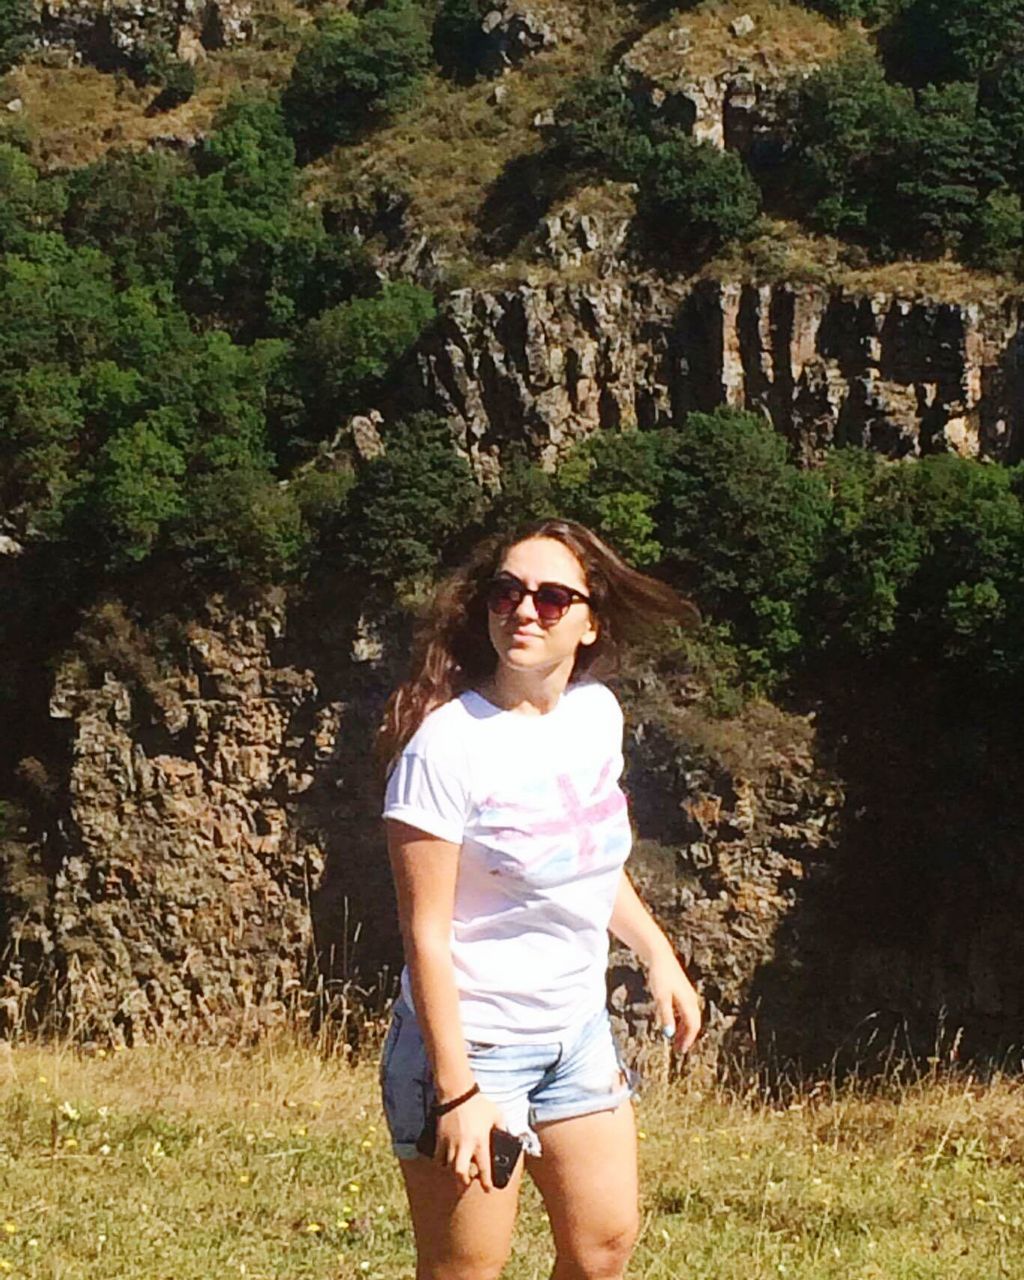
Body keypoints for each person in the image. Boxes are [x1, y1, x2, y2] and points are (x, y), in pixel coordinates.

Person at [378, 518, 702, 1280]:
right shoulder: (444, 747)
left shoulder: (596, 717)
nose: (524, 611)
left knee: (602, 1249)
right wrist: (458, 1092)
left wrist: (657, 954)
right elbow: (425, 935)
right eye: (508, 592)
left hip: (575, 1033)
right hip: (473, 1046)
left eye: (553, 598)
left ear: (592, 623)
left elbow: (587, 861)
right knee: (468, 1271)